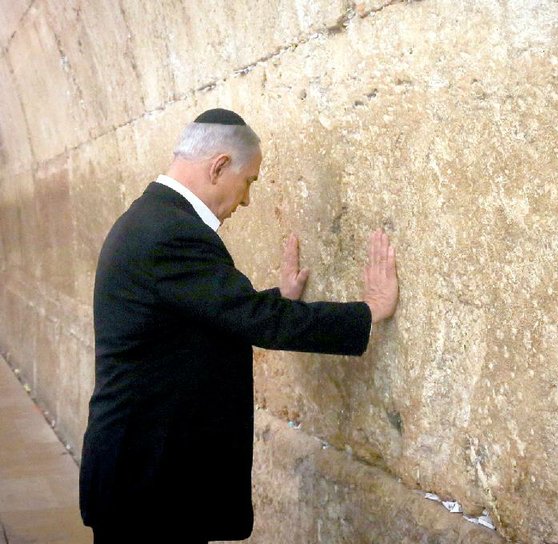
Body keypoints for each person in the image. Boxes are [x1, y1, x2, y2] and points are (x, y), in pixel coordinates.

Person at [79, 108, 399, 543]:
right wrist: (369, 310)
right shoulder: (170, 232)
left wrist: (276, 299)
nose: (247, 199)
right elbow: (257, 323)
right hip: (148, 480)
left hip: (145, 473)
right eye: (248, 181)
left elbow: (206, 313)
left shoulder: (152, 219)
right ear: (219, 166)